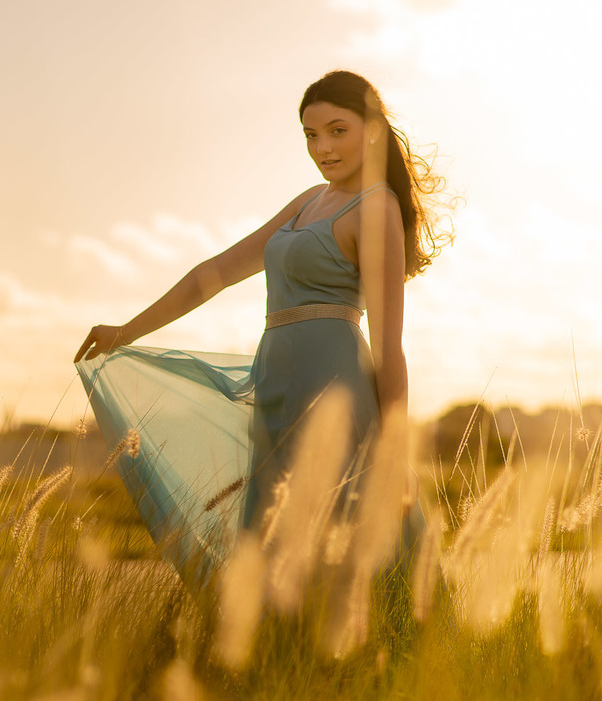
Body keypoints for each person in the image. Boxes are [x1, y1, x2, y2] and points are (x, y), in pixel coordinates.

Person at [73, 70, 449, 594]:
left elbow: (389, 349)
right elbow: (216, 273)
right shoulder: (308, 200)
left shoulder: (377, 207)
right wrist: (128, 330)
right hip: (275, 384)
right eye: (311, 135)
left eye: (337, 130)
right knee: (271, 540)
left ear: (371, 131)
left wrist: (393, 450)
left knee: (340, 530)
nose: (323, 148)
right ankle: (273, 655)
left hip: (333, 388)